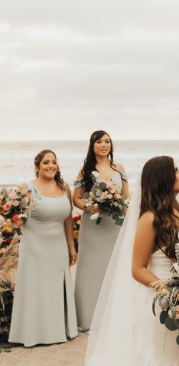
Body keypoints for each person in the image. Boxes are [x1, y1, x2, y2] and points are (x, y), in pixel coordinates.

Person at [86, 156, 179, 366]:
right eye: (175, 171)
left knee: (172, 362)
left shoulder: (178, 213)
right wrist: (170, 291)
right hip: (159, 303)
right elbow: (136, 268)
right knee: (160, 362)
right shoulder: (149, 219)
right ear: (163, 179)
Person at [9, 150, 78, 347]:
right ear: (37, 166)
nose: (51, 166)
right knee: (36, 288)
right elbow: (16, 220)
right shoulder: (28, 189)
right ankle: (32, 333)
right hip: (34, 246)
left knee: (55, 287)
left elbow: (68, 219)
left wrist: (71, 247)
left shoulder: (64, 188)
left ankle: (57, 331)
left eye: (54, 162)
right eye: (46, 162)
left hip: (57, 245)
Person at [73, 130, 129, 331]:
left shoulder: (119, 168)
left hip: (115, 225)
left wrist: (124, 212)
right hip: (93, 226)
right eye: (99, 142)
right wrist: (91, 206)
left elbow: (126, 198)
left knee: (115, 268)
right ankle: (88, 318)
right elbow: (76, 198)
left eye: (107, 141)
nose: (104, 145)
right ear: (92, 145)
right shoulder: (85, 171)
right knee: (91, 269)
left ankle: (114, 317)